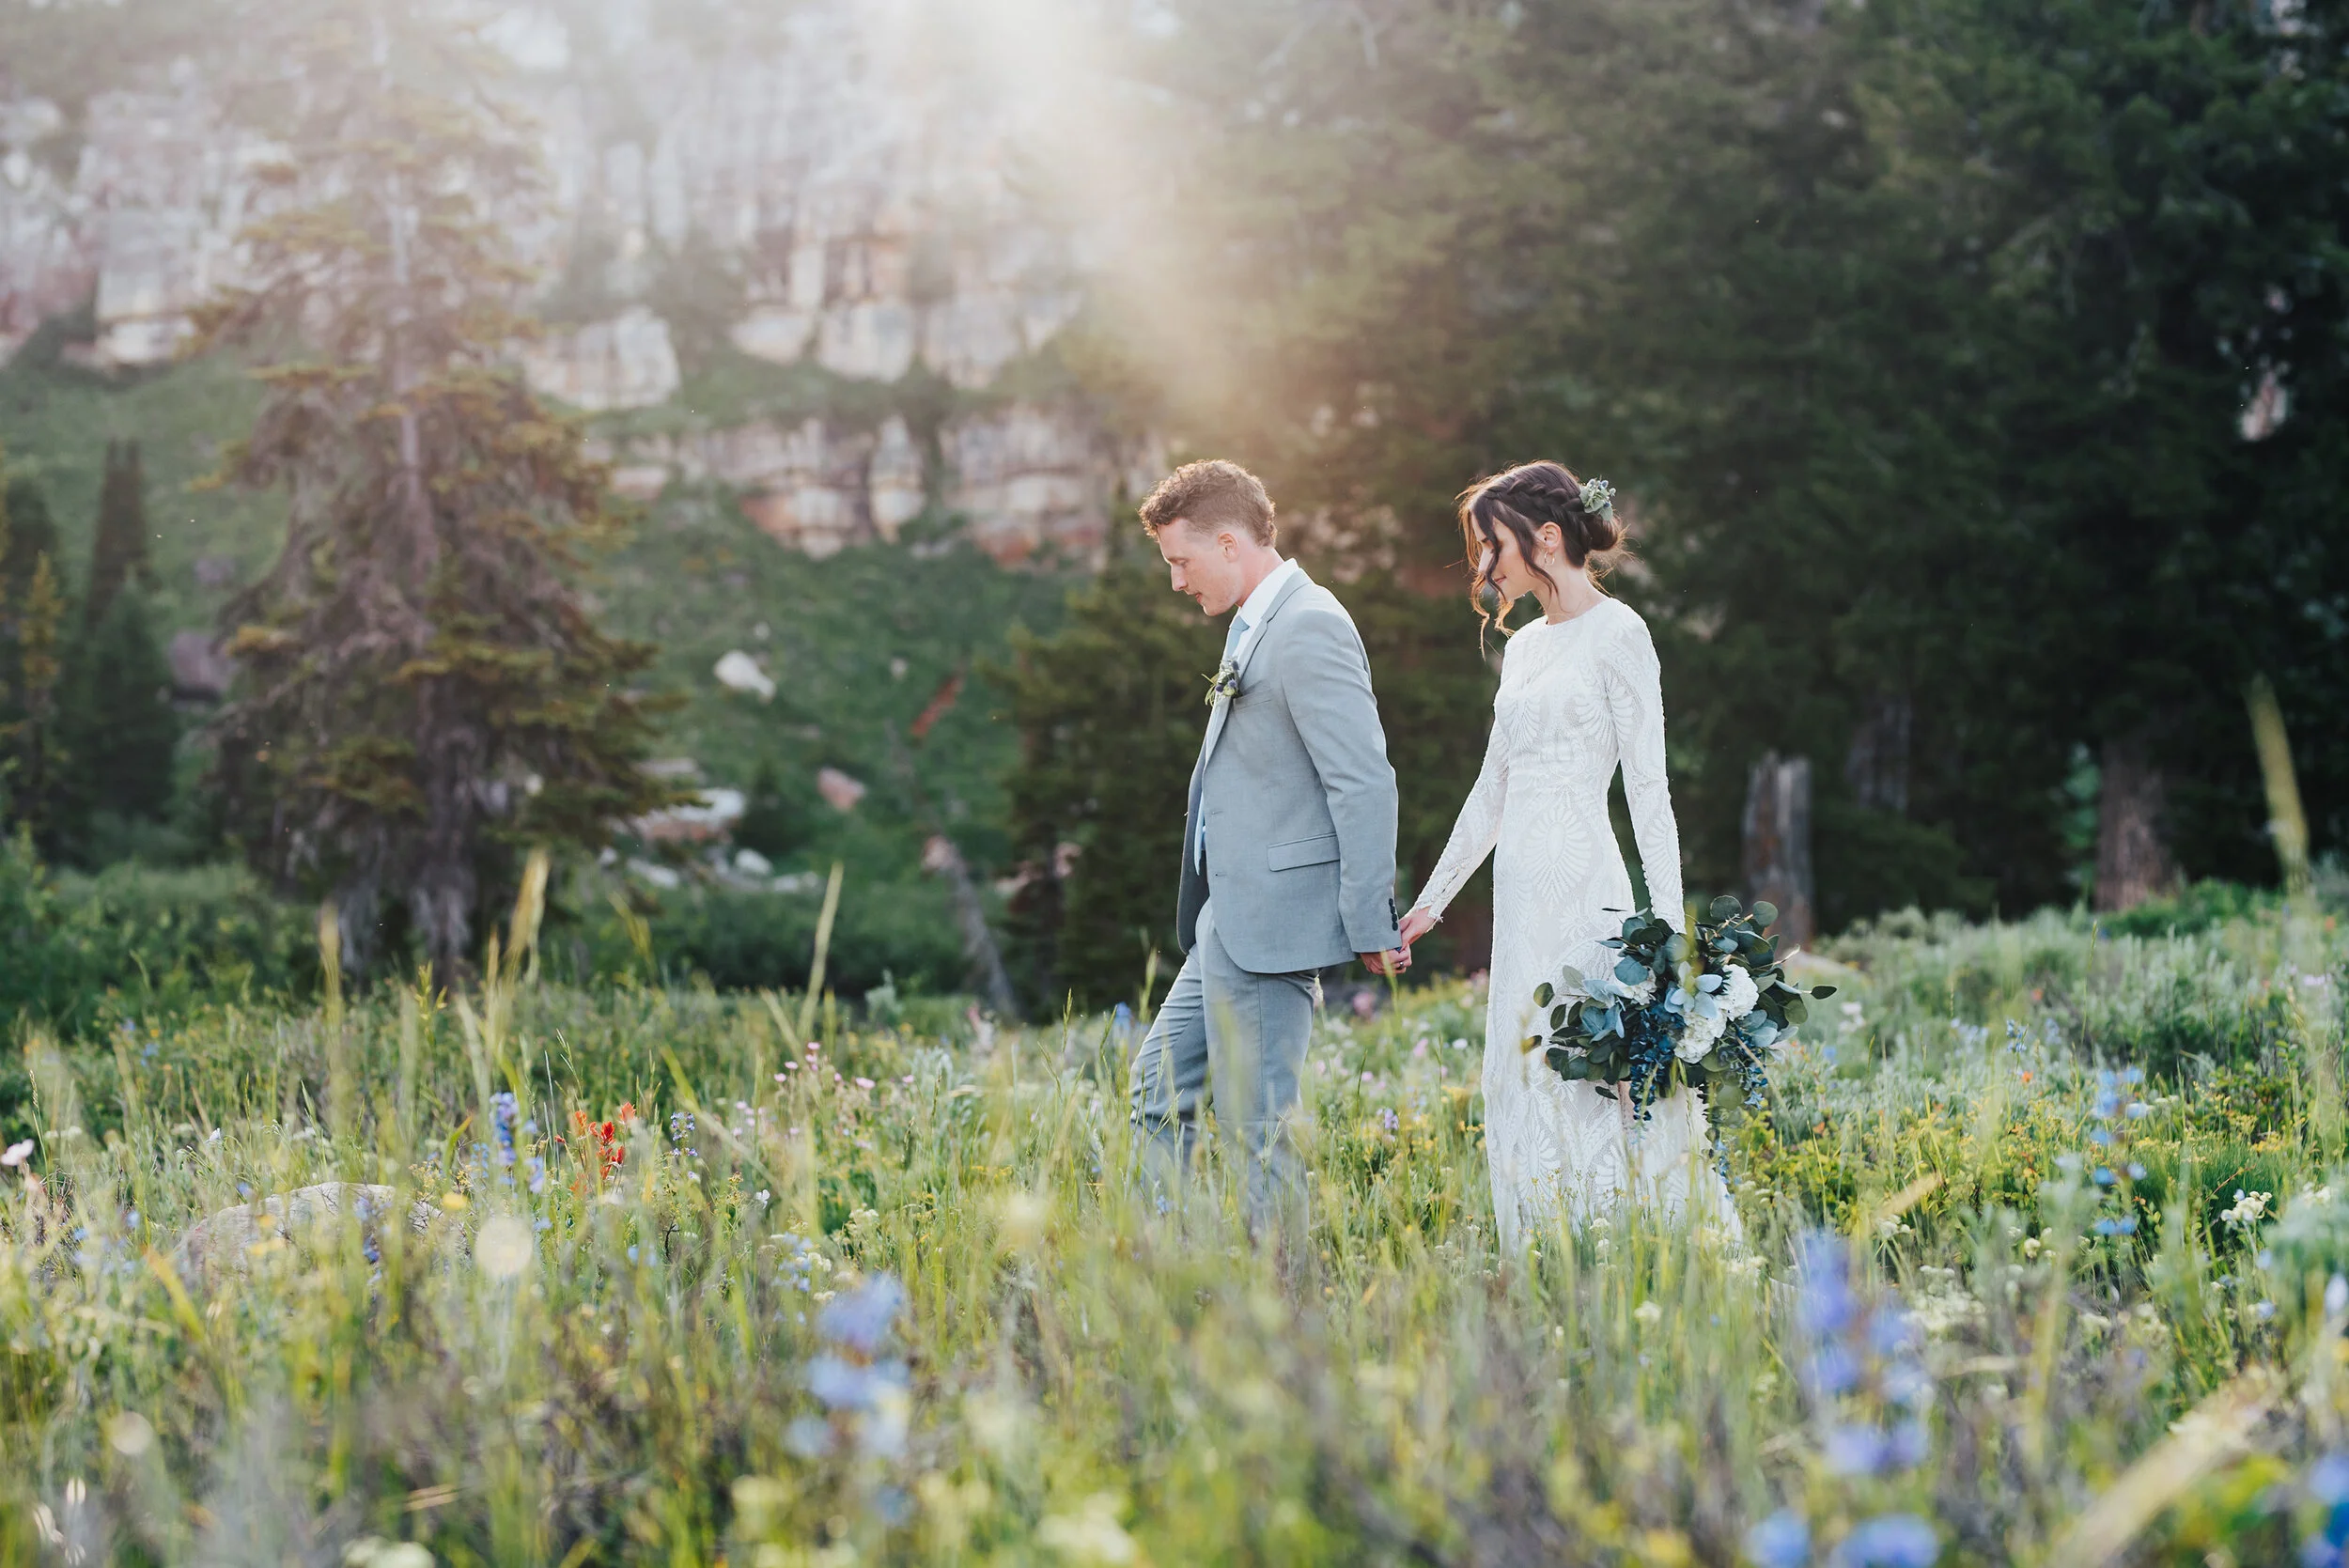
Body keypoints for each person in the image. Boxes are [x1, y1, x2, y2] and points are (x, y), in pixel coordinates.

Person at [1399, 460, 1740, 1250]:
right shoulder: (1521, 649)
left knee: (1595, 1071)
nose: (1485, 565)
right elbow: (1492, 788)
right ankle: (1546, 1254)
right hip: (1522, 903)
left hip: (1589, 893)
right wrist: (1431, 903)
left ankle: (1633, 1252)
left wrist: (1667, 935)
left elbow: (1649, 793)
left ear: (1546, 538)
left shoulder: (1622, 634)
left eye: (1493, 545)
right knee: (1522, 1071)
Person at [1128, 459, 1408, 1248]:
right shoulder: (1254, 623)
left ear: (1229, 543)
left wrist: (1369, 920)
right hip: (1226, 914)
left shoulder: (1310, 623)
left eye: (1181, 561)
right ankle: (1170, 1268)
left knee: (1257, 1127)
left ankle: (1285, 1295)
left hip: (1274, 920)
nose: (1177, 581)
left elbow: (1363, 780)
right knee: (1155, 1091)